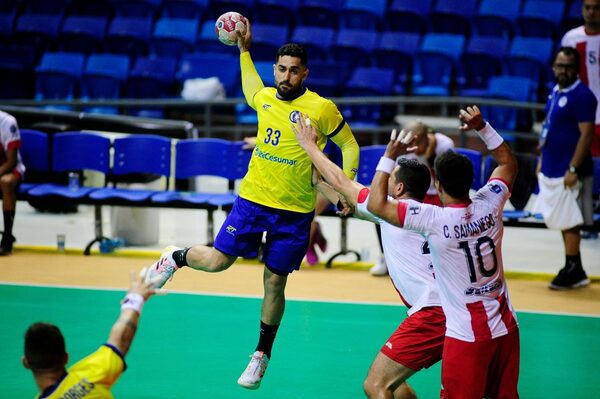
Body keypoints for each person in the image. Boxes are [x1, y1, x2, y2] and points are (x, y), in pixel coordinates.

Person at [143, 19, 359, 390]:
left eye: (293, 71)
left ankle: (260, 355)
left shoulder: (322, 109)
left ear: (304, 73)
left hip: (294, 213)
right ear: (275, 69)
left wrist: (345, 188)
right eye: (281, 69)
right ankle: (175, 257)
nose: (286, 76)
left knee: (274, 283)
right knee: (216, 262)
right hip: (252, 201)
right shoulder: (264, 99)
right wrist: (244, 50)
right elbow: (250, 87)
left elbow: (350, 146)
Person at [368, 106, 520, 399]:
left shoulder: (435, 220)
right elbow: (508, 163)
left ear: (437, 185)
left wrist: (388, 156)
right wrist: (482, 126)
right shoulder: (490, 202)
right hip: (506, 326)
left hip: (466, 334)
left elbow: (376, 205)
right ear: (473, 180)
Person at [292, 115, 445, 399]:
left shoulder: (391, 210)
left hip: (431, 314)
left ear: (398, 189)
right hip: (454, 310)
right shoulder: (421, 214)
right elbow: (346, 199)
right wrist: (317, 182)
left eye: (390, 180)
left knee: (376, 385)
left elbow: (342, 180)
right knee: (395, 384)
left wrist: (309, 146)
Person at [23, 268, 162, 398]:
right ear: (66, 358)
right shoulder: (91, 373)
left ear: (26, 362)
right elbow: (121, 339)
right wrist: (135, 298)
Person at [533, 47, 595, 290]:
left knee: (570, 220)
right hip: (551, 166)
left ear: (576, 68)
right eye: (559, 66)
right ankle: (574, 266)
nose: (563, 70)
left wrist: (573, 168)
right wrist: (542, 158)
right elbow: (549, 126)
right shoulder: (556, 91)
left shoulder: (583, 96)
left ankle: (573, 268)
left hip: (568, 170)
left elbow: (586, 135)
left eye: (568, 66)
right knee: (562, 219)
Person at [370, 121, 454, 276]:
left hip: (438, 193)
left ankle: (442, 259)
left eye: (417, 142)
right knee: (382, 210)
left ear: (425, 138)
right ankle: (385, 256)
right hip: (411, 194)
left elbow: (447, 178)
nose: (412, 146)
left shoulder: (444, 144)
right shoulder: (404, 147)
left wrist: (430, 156)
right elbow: (394, 178)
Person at [562, 0, 600, 239]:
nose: (591, 11)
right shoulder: (571, 38)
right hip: (582, 118)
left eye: (596, 7)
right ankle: (585, 220)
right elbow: (563, 77)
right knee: (584, 171)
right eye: (587, 7)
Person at [0, 110, 25, 255]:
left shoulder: (8, 122)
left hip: (11, 169)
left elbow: (12, 161)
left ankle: (7, 237)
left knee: (6, 182)